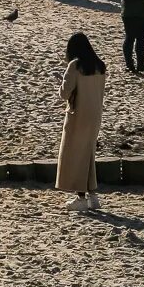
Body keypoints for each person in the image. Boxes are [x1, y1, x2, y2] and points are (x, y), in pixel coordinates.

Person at [56, 32, 107, 212]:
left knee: (76, 155)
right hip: (95, 115)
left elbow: (64, 93)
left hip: (78, 115)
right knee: (88, 154)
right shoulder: (99, 66)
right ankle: (93, 196)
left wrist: (61, 81)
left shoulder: (75, 66)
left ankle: (81, 198)